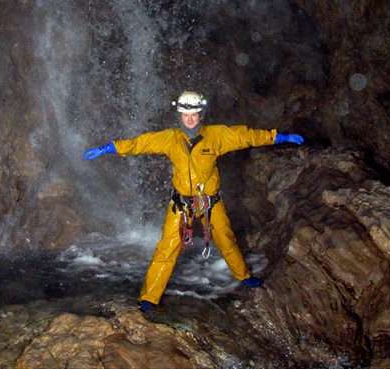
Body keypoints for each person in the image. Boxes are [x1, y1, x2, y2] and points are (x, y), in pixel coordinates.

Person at [83, 91, 304, 312]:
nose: (189, 119)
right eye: (185, 114)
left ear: (201, 114)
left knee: (225, 238)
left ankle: (243, 275)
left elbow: (246, 136)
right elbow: (140, 143)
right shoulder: (170, 139)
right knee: (167, 248)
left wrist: (278, 137)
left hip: (210, 202)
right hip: (183, 203)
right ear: (179, 115)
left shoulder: (216, 136)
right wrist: (110, 147)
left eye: (194, 114)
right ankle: (149, 297)